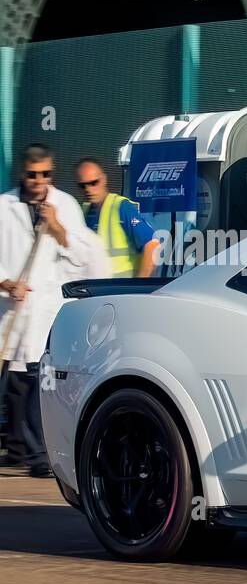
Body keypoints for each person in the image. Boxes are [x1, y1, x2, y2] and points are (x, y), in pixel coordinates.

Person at [1, 144, 109, 477]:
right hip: (12, 308)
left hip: (46, 310)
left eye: (45, 174)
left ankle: (38, 455)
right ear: (23, 174)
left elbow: (81, 253)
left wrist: (57, 227)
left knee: (39, 380)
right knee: (16, 384)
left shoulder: (64, 204)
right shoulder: (4, 207)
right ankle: (22, 449)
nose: (39, 181)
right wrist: (6, 284)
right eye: (33, 175)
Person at [76, 157, 161, 277]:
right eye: (83, 186)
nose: (88, 189)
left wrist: (138, 287)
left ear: (104, 179)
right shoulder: (84, 213)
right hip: (97, 291)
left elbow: (152, 245)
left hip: (121, 292)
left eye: (94, 183)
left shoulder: (121, 207)